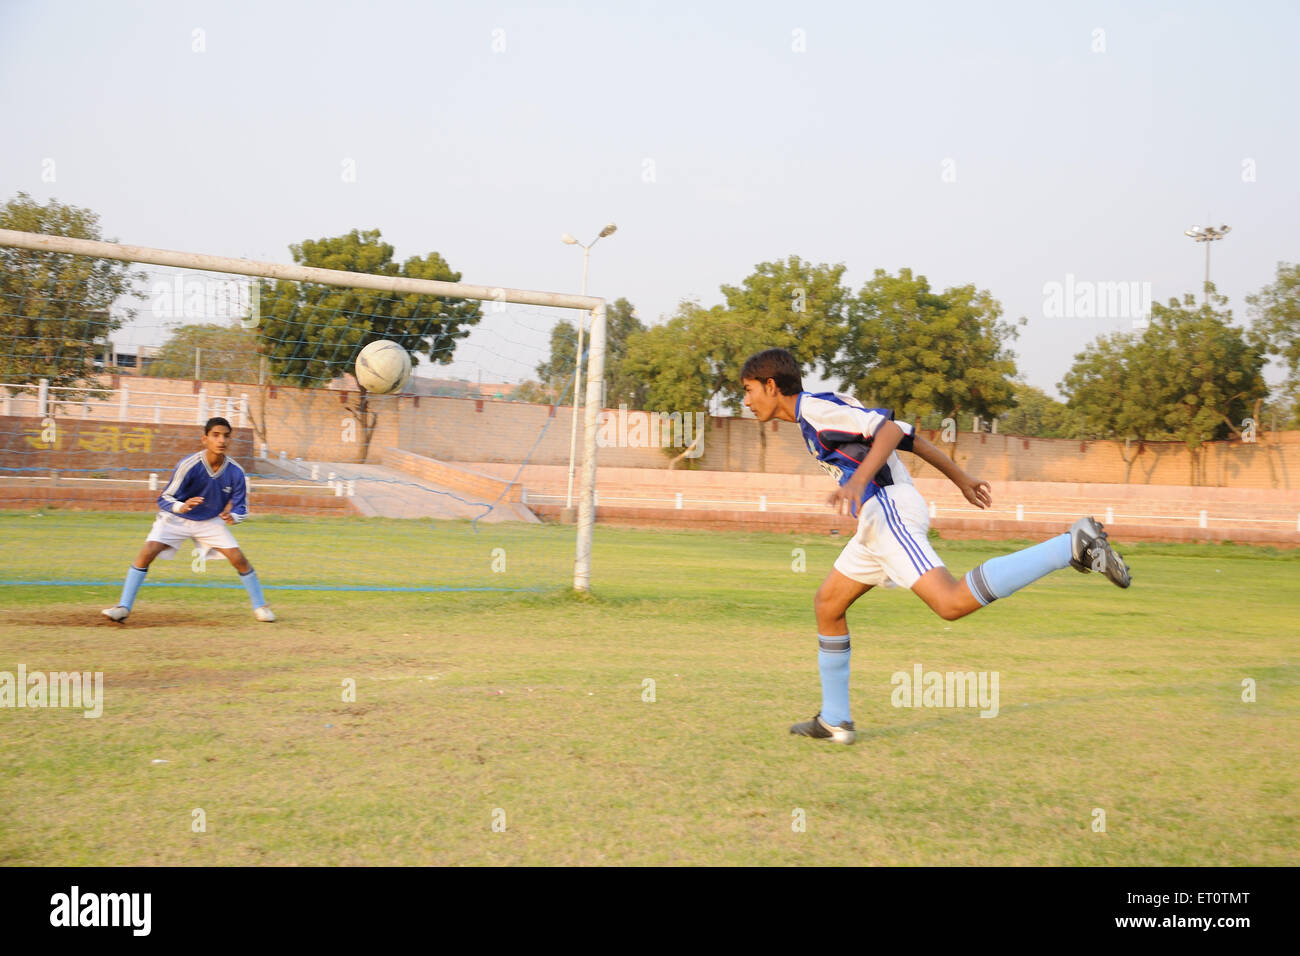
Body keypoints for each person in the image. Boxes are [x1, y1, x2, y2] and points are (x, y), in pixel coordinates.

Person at [739, 348, 1129, 745]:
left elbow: (891, 431)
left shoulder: (818, 412)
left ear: (771, 386)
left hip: (887, 509)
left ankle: (1070, 546)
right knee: (828, 605)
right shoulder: (816, 413)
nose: (747, 401)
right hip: (877, 520)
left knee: (951, 603)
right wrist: (960, 478)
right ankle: (835, 719)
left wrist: (859, 481)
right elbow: (908, 437)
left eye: (749, 390)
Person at [101, 417, 275, 623]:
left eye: (226, 436)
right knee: (148, 551)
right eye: (216, 435)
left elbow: (242, 507)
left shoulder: (235, 472)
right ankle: (123, 607)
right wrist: (180, 506)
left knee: (238, 558)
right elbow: (164, 497)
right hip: (177, 518)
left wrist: (233, 516)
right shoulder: (189, 465)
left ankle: (261, 607)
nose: (221, 440)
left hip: (210, 521)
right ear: (205, 439)